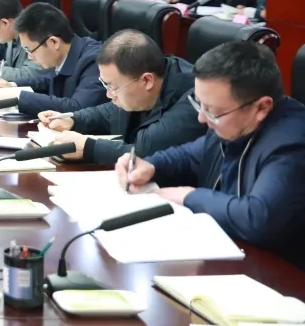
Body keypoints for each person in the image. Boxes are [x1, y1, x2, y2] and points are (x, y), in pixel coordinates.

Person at [117, 42, 305, 270]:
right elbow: (189, 156)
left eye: (212, 111)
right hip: (225, 258)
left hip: (280, 277)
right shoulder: (231, 122)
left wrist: (188, 196)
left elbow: (258, 218)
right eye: (199, 105)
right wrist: (150, 166)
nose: (202, 119)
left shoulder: (293, 142)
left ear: (261, 108)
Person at [38, 30, 204, 165]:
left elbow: (146, 151)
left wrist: (89, 148)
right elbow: (110, 111)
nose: (108, 94)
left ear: (147, 80)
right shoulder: (137, 82)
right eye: (106, 85)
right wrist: (73, 120)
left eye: (113, 87)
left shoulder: (195, 97)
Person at [0, 3, 107, 115]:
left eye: (30, 50)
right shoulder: (64, 55)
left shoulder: (94, 61)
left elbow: (77, 108)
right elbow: (47, 80)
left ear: (54, 42)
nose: (29, 57)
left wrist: (17, 96)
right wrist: (12, 86)